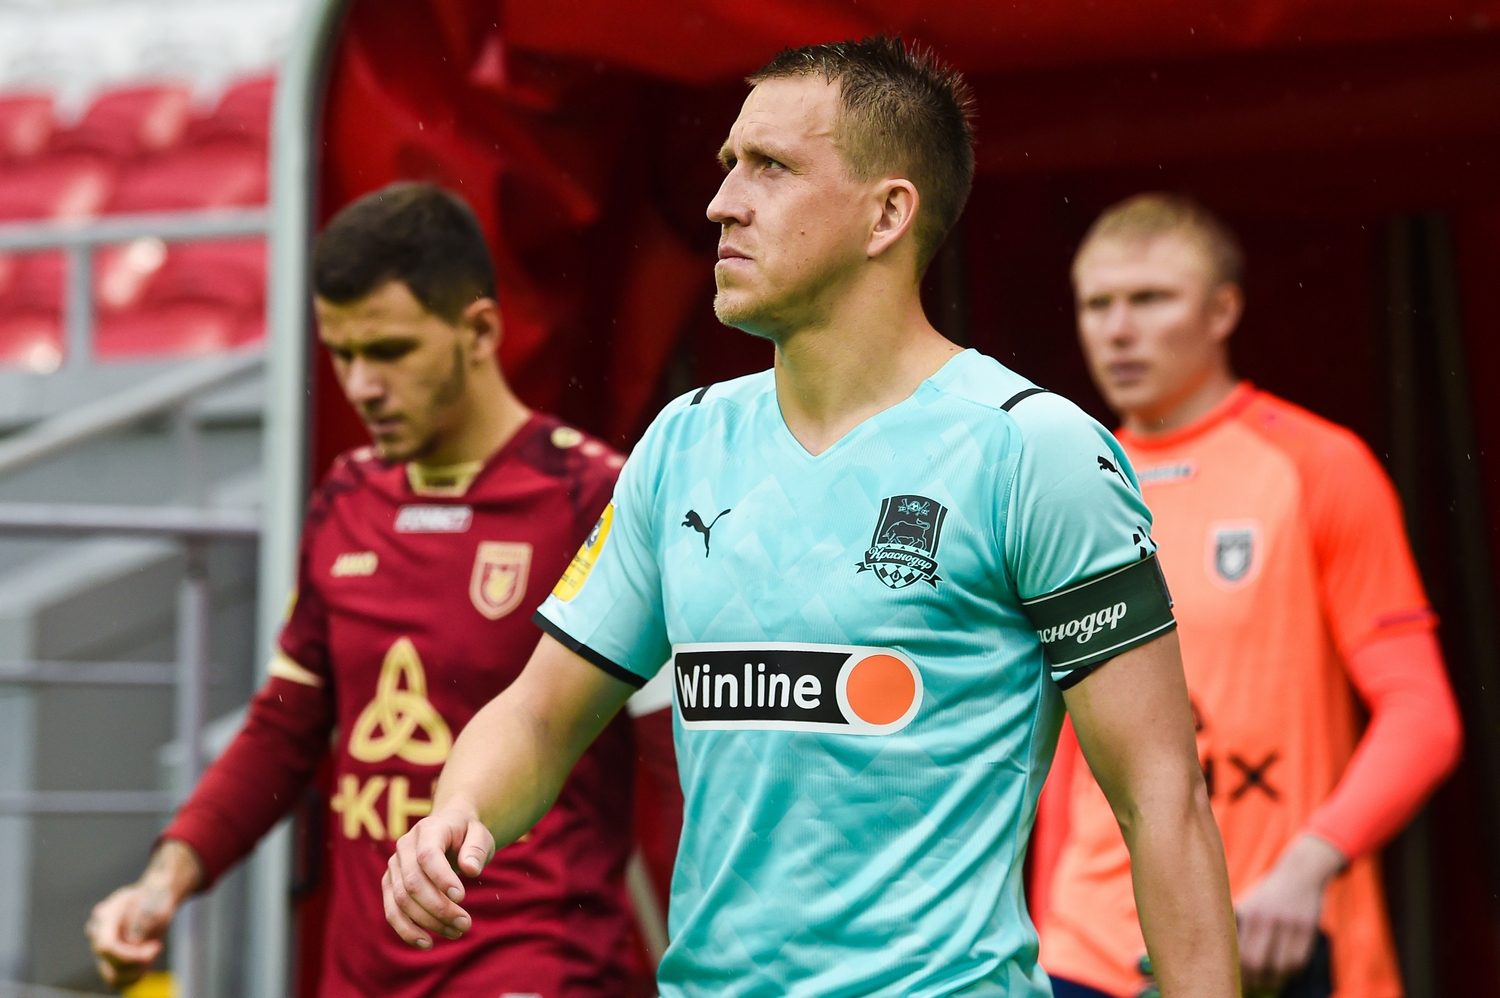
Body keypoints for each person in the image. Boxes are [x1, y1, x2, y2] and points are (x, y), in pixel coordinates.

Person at [383, 38, 1238, 998]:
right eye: (727, 165)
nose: (723, 202)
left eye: (771, 167)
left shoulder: (1033, 450)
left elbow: (1163, 800)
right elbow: (541, 715)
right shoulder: (683, 442)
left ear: (888, 214)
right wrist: (458, 811)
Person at [85, 182, 659, 998]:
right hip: (361, 976)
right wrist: (164, 881)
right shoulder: (346, 499)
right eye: (342, 353)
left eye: (389, 351)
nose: (360, 385)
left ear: (480, 332)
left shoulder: (596, 497)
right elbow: (283, 728)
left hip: (530, 967)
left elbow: (675, 753)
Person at [1036, 193, 1464, 998]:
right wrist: (1037, 935)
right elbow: (1065, 750)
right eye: (1097, 304)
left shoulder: (1318, 465)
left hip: (1268, 937)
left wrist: (1309, 867)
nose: (1118, 329)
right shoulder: (1068, 489)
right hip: (1087, 950)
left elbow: (1422, 716)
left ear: (1223, 310)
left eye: (1150, 299)